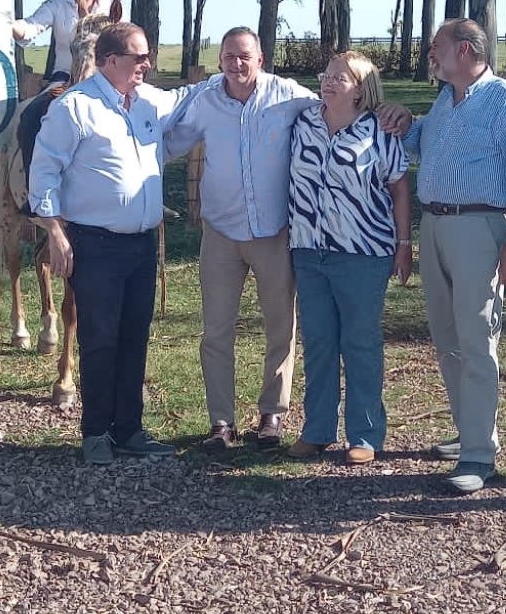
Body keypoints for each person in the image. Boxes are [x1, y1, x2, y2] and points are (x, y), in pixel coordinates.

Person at [164, 28, 410, 450]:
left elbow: (357, 118)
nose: (236, 64)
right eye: (228, 56)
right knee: (217, 331)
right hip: (225, 232)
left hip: (278, 234)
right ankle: (221, 423)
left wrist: (396, 111)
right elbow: (168, 142)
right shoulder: (208, 102)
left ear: (261, 57)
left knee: (285, 329)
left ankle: (273, 417)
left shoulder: (289, 97)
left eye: (245, 56)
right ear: (219, 59)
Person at [27, 22, 202, 465]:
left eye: (147, 56)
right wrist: (55, 232)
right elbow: (44, 171)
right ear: (109, 61)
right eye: (138, 57)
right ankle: (96, 433)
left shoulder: (147, 104)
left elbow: (187, 100)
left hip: (142, 245)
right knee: (100, 338)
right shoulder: (75, 108)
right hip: (96, 244)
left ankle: (129, 429)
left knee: (133, 338)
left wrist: (231, 75)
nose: (147, 64)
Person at [404, 18, 506, 494]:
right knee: (447, 335)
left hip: (480, 228)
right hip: (436, 225)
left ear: (464, 50)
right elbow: (422, 142)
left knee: (477, 339)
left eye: (436, 46)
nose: (430, 53)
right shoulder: (447, 99)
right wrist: (406, 123)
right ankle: (470, 431)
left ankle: (479, 456)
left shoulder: (505, 98)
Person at [283, 52, 412, 465]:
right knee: (319, 342)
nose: (330, 81)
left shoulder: (380, 131)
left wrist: (404, 244)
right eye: (328, 74)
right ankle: (317, 430)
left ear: (362, 89)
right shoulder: (303, 123)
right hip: (309, 251)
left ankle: (365, 434)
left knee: (360, 343)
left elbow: (399, 189)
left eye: (342, 77)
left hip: (363, 253)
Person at [12, 0, 124, 87]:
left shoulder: (112, 6)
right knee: (39, 107)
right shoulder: (57, 5)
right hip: (64, 77)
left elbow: (125, 41)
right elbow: (31, 26)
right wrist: (8, 25)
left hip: (107, 78)